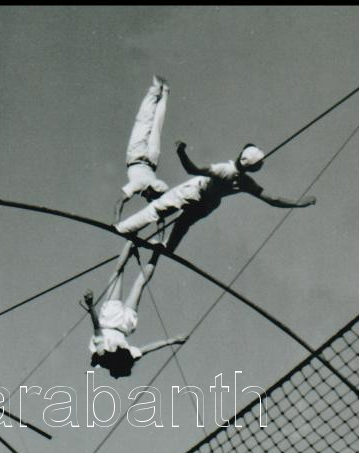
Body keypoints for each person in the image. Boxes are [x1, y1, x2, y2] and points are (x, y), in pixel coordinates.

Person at [115, 142, 316, 252]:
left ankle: (124, 228)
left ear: (240, 156)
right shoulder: (246, 183)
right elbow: (273, 200)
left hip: (195, 192)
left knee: (157, 209)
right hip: (208, 205)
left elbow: (192, 170)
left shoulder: (223, 169)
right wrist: (299, 203)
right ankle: (169, 247)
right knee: (183, 223)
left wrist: (181, 152)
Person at [84, 241, 188, 379]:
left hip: (116, 321)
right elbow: (146, 349)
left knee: (127, 279)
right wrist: (171, 341)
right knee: (125, 278)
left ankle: (149, 250)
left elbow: (97, 328)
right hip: (116, 321)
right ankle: (140, 246)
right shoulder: (122, 357)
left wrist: (171, 341)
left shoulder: (104, 353)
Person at [114, 76, 170, 224]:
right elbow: (120, 200)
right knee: (144, 122)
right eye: (151, 197)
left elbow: (160, 216)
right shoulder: (139, 184)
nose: (149, 199)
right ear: (151, 190)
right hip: (137, 156)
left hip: (151, 159)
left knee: (155, 126)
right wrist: (116, 222)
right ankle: (157, 90)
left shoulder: (153, 183)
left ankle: (163, 93)